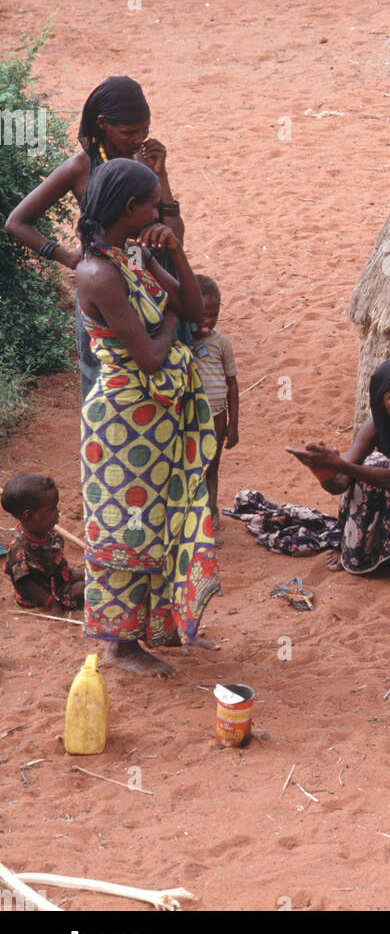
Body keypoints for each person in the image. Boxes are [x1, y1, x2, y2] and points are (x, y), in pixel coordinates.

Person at [76, 159, 218, 677]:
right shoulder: (98, 272)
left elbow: (195, 306)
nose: (159, 211)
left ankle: (155, 628)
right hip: (121, 423)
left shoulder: (133, 255)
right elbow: (151, 356)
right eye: (153, 203)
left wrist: (175, 251)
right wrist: (177, 317)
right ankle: (120, 645)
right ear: (130, 208)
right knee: (124, 528)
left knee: (157, 521)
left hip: (154, 419)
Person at [4, 75, 185, 399]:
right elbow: (17, 222)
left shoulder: (142, 162)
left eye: (144, 129)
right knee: (104, 379)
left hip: (149, 277)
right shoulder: (80, 167)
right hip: (102, 281)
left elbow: (175, 233)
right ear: (102, 124)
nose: (139, 138)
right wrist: (65, 257)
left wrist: (162, 174)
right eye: (129, 132)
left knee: (163, 380)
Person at [287, 357, 390, 588]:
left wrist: (340, 465)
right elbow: (341, 484)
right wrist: (324, 473)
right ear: (381, 403)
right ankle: (355, 548)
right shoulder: (374, 426)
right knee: (369, 470)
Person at [191, 275, 239, 534]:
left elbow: (232, 385)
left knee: (212, 466)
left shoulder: (221, 344)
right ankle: (193, 517)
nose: (207, 321)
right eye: (201, 315)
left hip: (217, 416)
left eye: (214, 314)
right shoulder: (182, 342)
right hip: (189, 417)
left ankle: (211, 515)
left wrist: (233, 425)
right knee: (191, 467)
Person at [1, 473, 83, 612]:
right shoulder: (20, 548)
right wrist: (50, 603)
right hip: (42, 594)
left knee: (88, 576)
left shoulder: (45, 531)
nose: (58, 512)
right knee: (83, 588)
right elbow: (24, 582)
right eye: (52, 509)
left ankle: (70, 577)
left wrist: (68, 574)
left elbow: (54, 562)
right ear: (30, 516)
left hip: (55, 579)